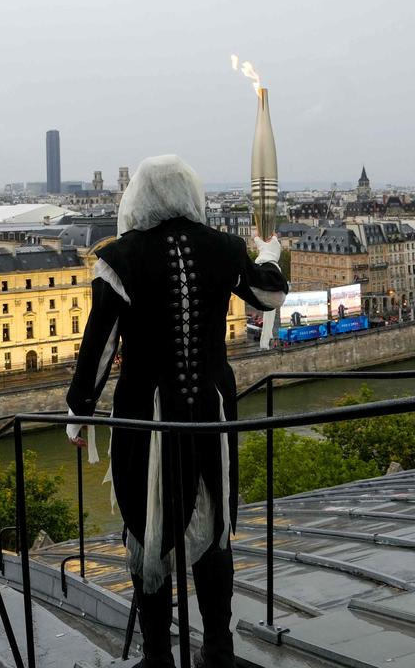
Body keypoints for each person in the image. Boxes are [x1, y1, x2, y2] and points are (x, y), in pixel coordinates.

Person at [65, 156, 288, 668]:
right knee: (213, 526)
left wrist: (80, 414)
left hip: (146, 414)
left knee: (148, 528)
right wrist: (269, 253)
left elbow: (98, 350)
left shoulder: (120, 257)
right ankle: (218, 649)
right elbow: (269, 294)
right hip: (211, 410)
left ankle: (159, 656)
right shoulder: (222, 246)